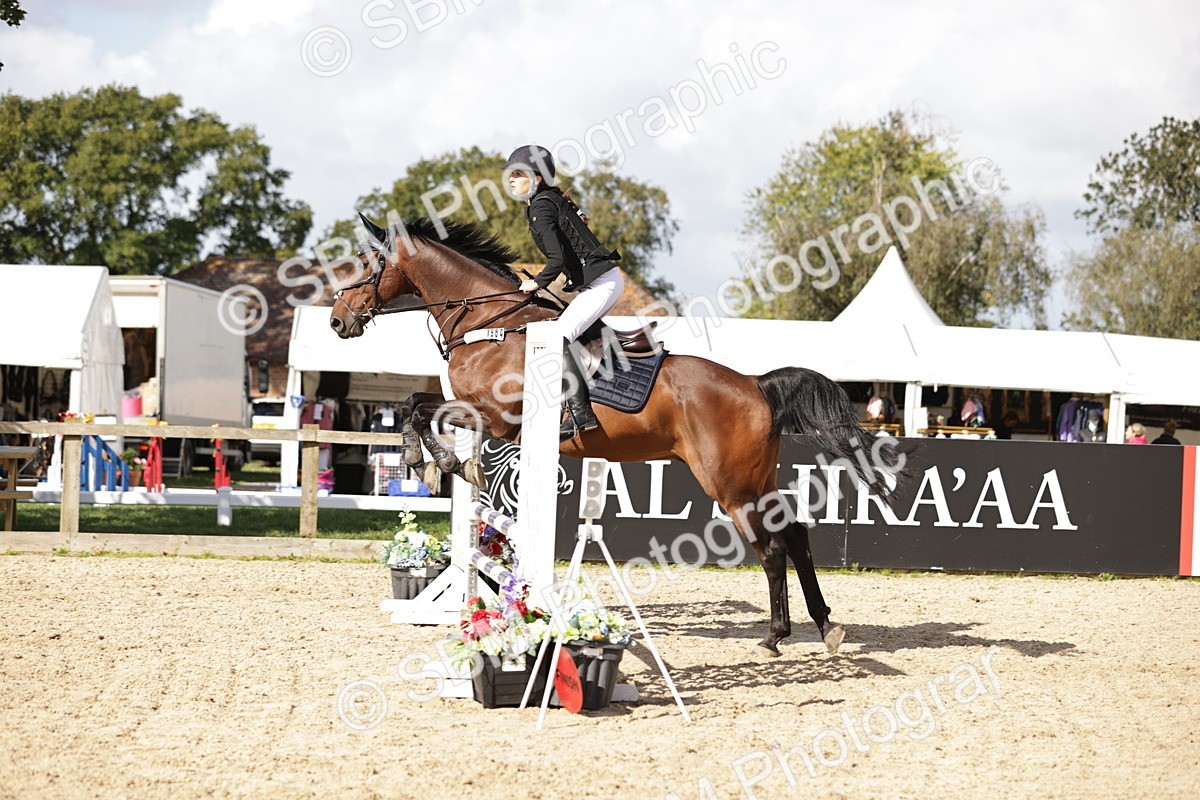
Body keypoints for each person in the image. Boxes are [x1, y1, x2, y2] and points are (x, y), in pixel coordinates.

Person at [505, 144, 625, 441]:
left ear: (538, 178)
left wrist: (537, 283)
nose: (511, 179)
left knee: (557, 337)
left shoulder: (541, 206)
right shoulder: (547, 200)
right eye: (510, 174)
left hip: (603, 284)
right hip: (598, 283)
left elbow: (557, 260)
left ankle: (581, 413)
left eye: (518, 174)